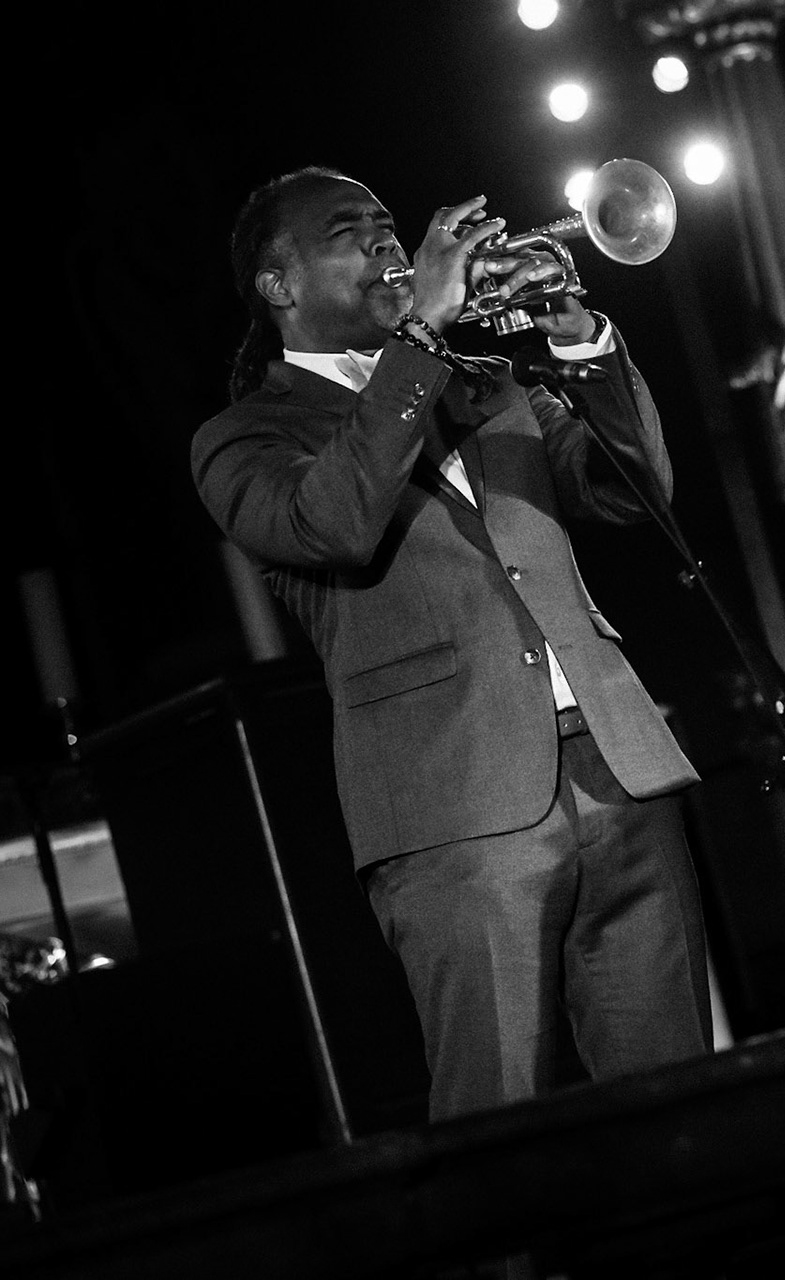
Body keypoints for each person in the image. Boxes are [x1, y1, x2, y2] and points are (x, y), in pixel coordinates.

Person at [192, 167, 711, 1121]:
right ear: (280, 286)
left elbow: (630, 492)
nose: (388, 245)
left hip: (617, 767)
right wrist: (422, 336)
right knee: (498, 1129)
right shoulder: (242, 438)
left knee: (682, 1120)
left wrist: (577, 338)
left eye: (390, 225)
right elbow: (335, 523)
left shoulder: (485, 384)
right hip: (453, 812)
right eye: (352, 232)